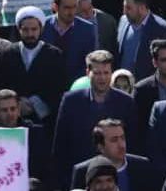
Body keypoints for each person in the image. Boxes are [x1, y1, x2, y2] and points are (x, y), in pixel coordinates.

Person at [52, 50, 138, 191]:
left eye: (106, 73)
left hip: (114, 179)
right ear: (88, 72)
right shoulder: (71, 101)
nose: (102, 78)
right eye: (97, 73)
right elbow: (60, 145)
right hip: (81, 176)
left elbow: (133, 142)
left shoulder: (126, 102)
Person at [0, 6, 66, 129]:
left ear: (41, 29)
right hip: (10, 120)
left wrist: (35, 104)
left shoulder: (54, 55)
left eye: (34, 29)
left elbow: (60, 88)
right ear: (19, 30)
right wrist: (17, 103)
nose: (30, 34)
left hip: (45, 122)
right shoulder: (6, 54)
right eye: (25, 30)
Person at [70, 118, 155, 191]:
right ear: (100, 147)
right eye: (114, 140)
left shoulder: (142, 166)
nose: (121, 145)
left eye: (122, 138)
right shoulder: (83, 171)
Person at [115, 0, 166, 81]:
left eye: (128, 8)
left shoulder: (162, 29)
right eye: (124, 7)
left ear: (142, 8)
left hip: (145, 86)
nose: (124, 12)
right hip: (122, 85)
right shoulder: (123, 21)